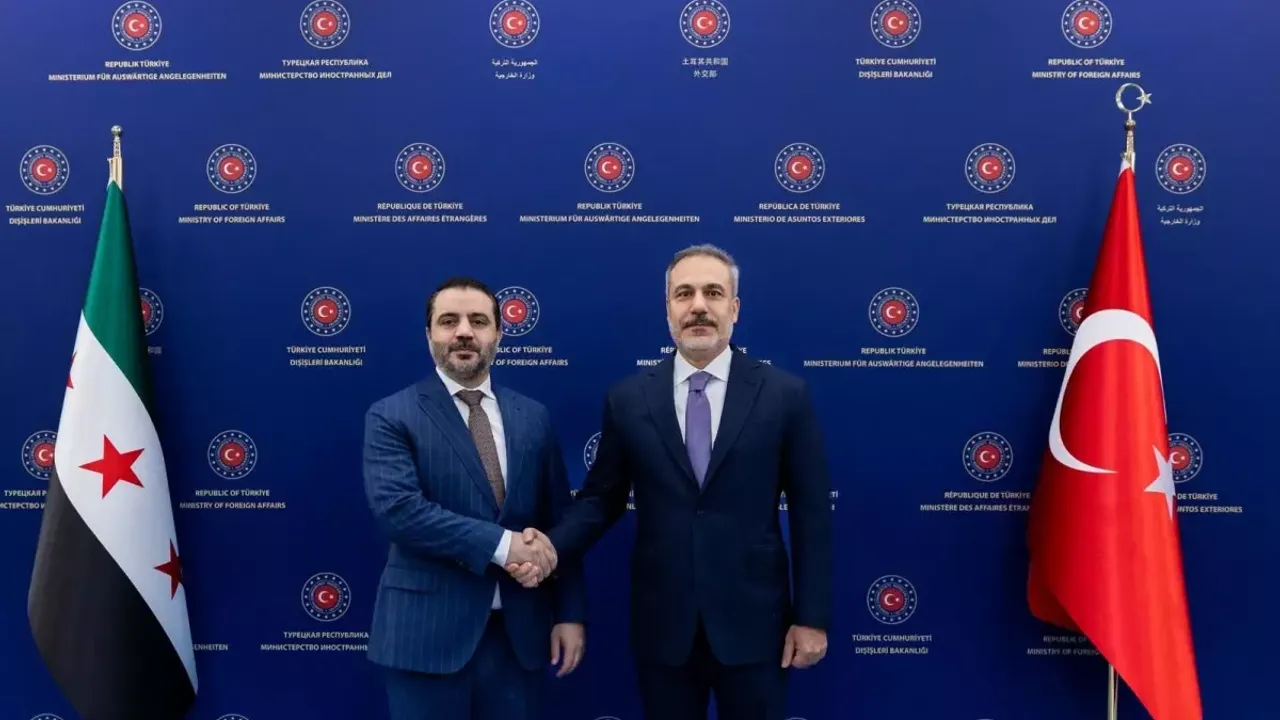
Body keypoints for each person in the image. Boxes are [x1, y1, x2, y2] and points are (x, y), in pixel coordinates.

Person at [507, 244, 832, 719]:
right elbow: (600, 501)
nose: (698, 305)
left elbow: (811, 513)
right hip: (663, 625)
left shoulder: (785, 395)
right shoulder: (628, 399)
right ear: (668, 311)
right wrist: (549, 548)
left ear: (734, 308)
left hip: (757, 624)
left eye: (713, 293)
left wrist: (812, 618)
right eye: (684, 294)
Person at [362, 276, 585, 720]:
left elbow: (559, 520)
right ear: (429, 335)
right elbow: (400, 512)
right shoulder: (391, 415)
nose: (464, 332)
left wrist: (569, 612)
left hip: (518, 638)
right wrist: (505, 546)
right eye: (449, 321)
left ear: (498, 334)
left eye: (478, 321)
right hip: (425, 639)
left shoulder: (533, 417)